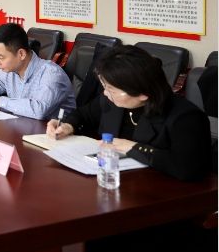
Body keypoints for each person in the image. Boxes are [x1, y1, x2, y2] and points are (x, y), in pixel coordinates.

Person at [47, 45, 211, 181]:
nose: (105, 93)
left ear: (143, 93)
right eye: (105, 87)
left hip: (161, 194)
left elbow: (188, 168)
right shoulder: (113, 101)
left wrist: (133, 147)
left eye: (111, 89)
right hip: (115, 182)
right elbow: (84, 114)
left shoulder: (186, 118)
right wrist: (68, 125)